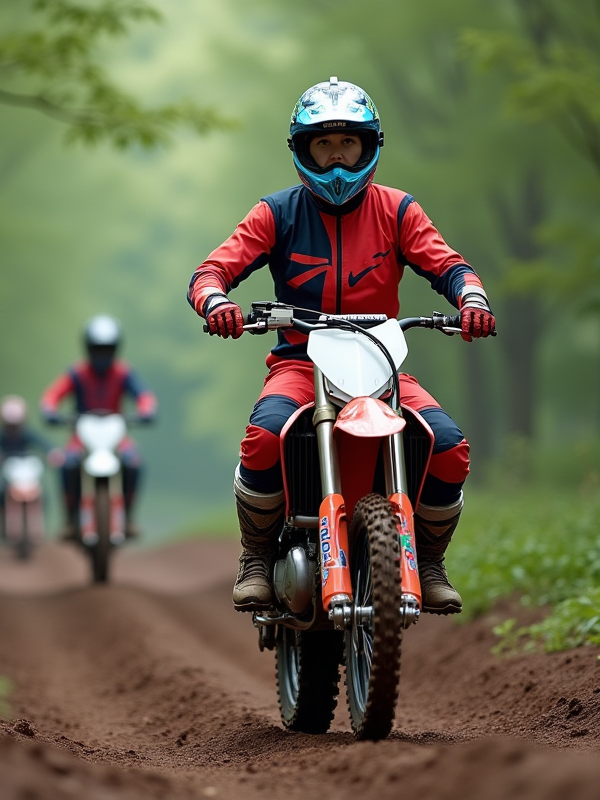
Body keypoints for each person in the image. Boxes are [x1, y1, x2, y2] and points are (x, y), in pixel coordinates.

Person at [188, 77, 497, 614]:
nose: (335, 161)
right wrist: (216, 301)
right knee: (263, 438)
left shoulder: (399, 211)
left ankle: (427, 559)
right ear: (302, 150)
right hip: (299, 362)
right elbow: (212, 270)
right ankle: (257, 557)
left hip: (381, 363)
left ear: (369, 147)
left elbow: (449, 265)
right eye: (323, 146)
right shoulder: (276, 213)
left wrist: (471, 298)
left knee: (448, 446)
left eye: (347, 144)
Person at [40, 315, 158, 539]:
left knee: (133, 462)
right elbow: (53, 395)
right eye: (97, 349)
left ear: (115, 349)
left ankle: (129, 517)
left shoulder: (124, 373)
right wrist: (49, 410)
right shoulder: (77, 373)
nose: (102, 355)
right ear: (88, 348)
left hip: (116, 435)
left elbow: (144, 396)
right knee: (67, 463)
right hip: (82, 437)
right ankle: (70, 519)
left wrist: (147, 410)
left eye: (107, 349)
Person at [0, 395, 59, 542]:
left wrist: (52, 453)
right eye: (10, 425)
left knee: (43, 492)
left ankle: (39, 520)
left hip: (27, 472)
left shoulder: (27, 433)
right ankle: (2, 522)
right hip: (9, 475)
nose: (13, 428)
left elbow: (44, 444)